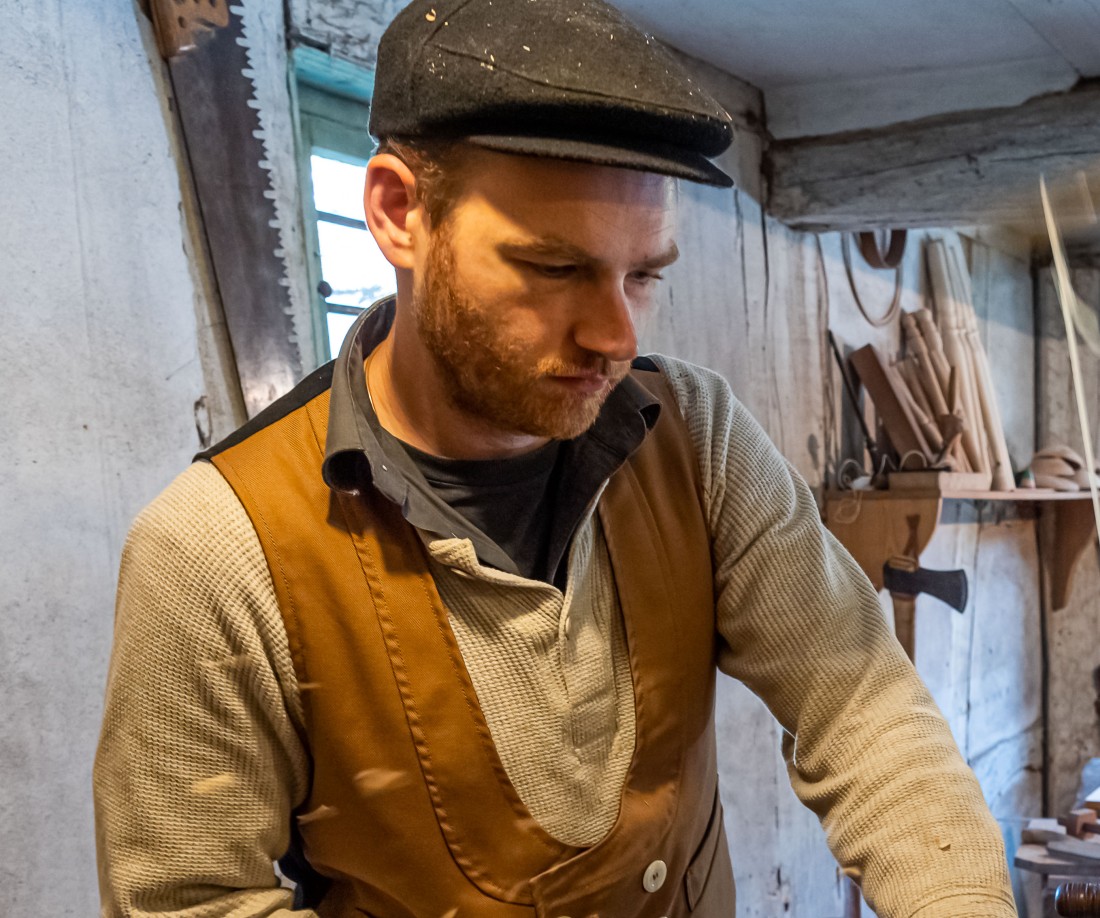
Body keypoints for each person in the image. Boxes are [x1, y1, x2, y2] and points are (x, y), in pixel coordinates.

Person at [94, 0, 1018, 915]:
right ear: (398, 212)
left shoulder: (692, 434)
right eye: (554, 268)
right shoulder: (218, 550)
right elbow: (191, 902)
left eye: (645, 274)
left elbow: (859, 706)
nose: (616, 335)